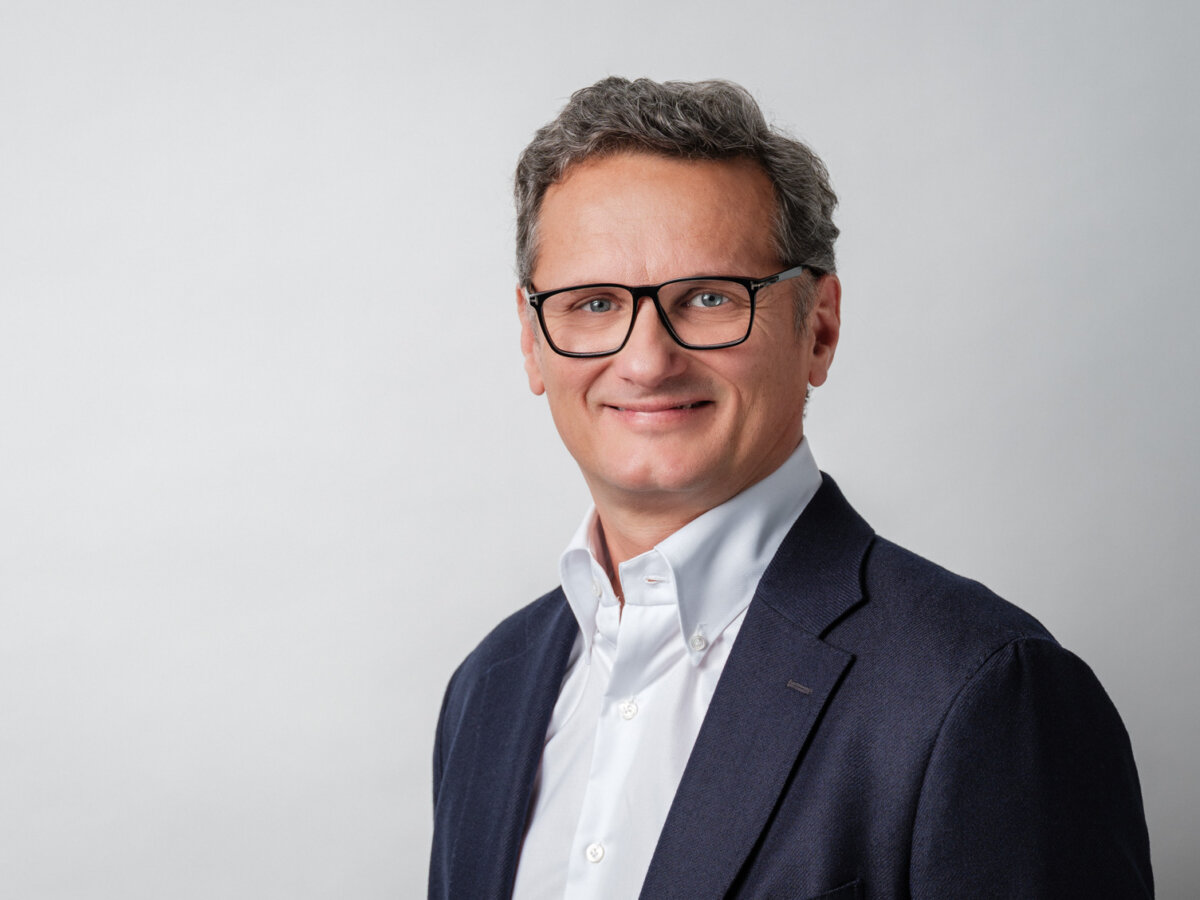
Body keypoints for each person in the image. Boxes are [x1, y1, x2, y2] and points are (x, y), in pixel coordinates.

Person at [428, 77, 1153, 899]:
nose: (646, 361)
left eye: (709, 298)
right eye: (593, 303)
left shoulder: (981, 690)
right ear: (533, 342)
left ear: (820, 328)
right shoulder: (487, 690)